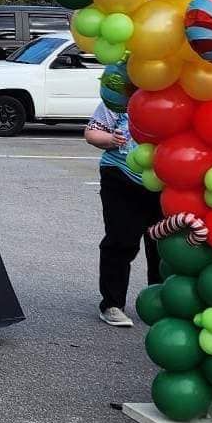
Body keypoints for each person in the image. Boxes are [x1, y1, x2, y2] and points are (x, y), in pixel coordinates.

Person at [85, 90, 160, 326]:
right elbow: (91, 132)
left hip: (165, 182)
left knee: (161, 245)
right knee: (121, 240)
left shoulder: (177, 98)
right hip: (121, 176)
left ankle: (158, 303)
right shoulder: (118, 99)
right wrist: (109, 140)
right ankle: (112, 304)